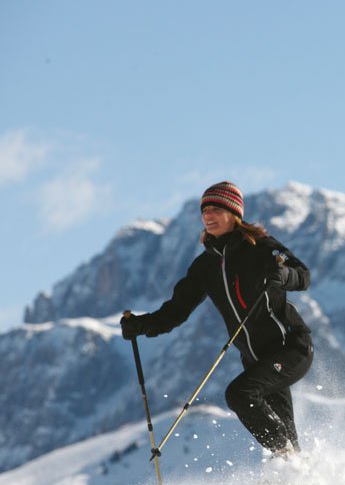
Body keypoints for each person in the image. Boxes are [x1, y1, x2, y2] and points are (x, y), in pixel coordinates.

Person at [120, 181, 313, 460]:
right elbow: (176, 310)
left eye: (216, 209)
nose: (208, 216)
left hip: (291, 348)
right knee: (282, 431)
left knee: (240, 394)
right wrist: (142, 325)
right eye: (205, 210)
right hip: (256, 359)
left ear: (234, 213)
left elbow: (302, 275)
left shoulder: (260, 247)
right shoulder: (205, 267)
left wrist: (284, 276)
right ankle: (299, 474)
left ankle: (287, 461)